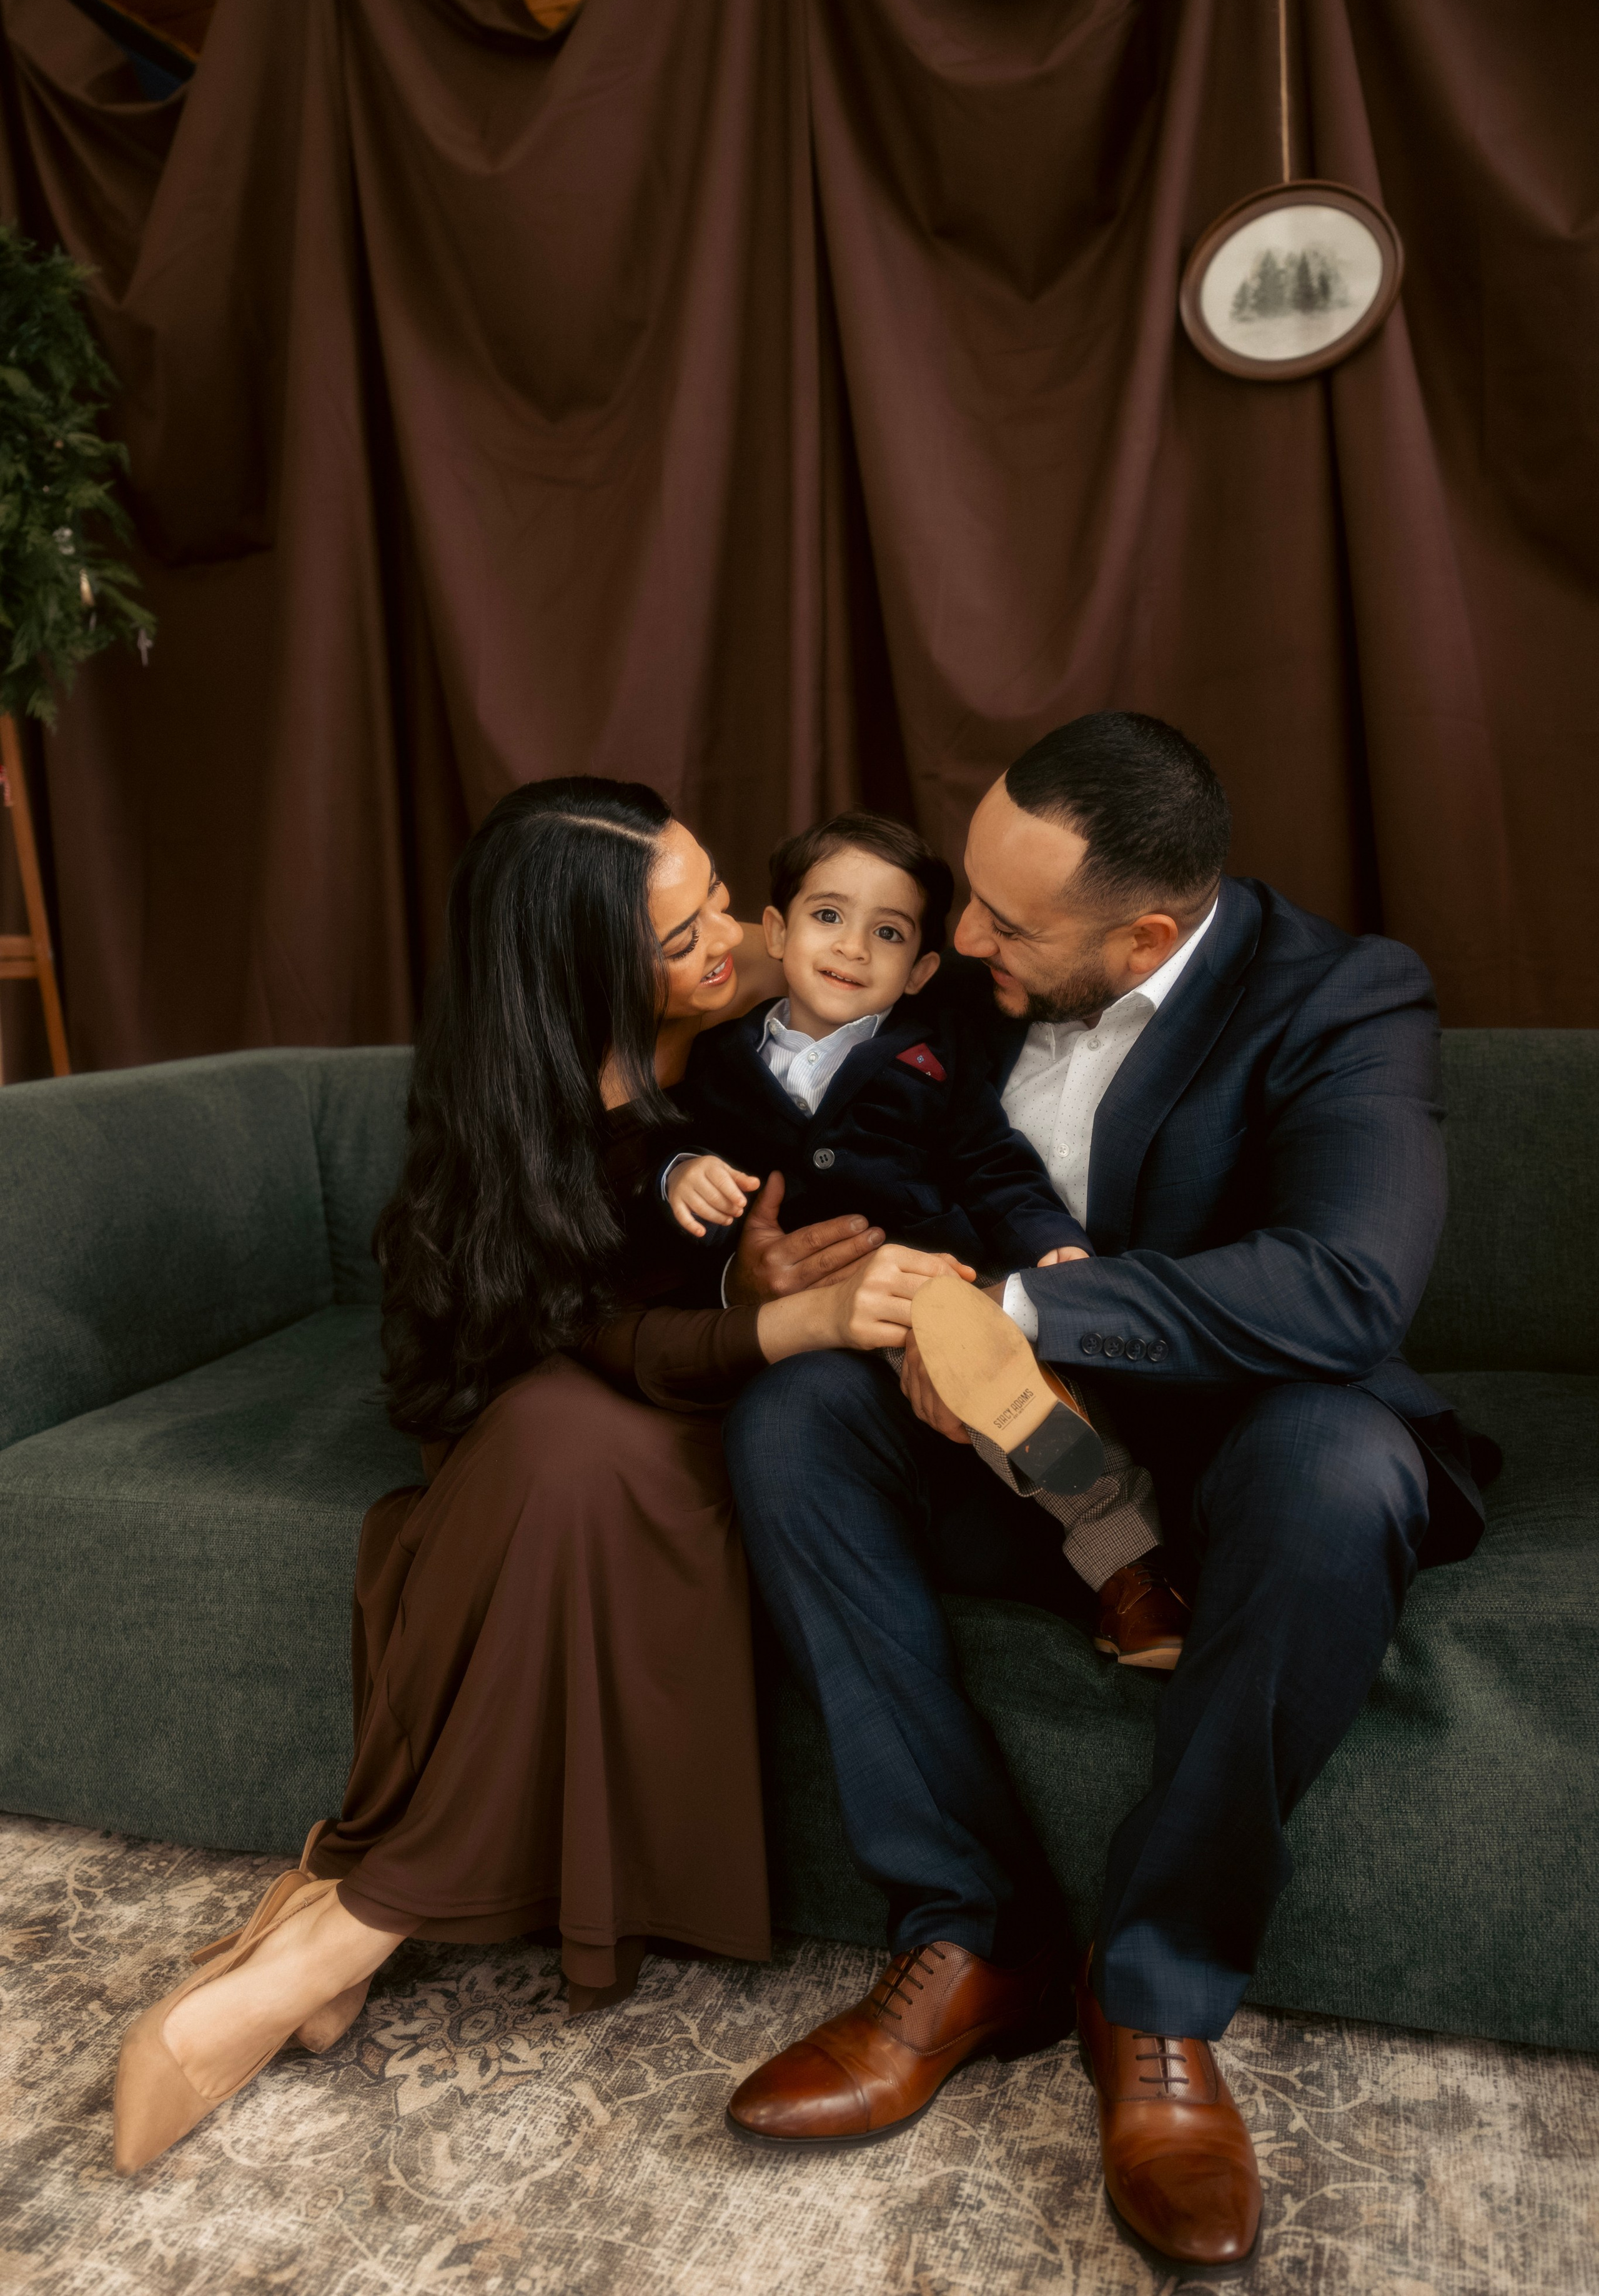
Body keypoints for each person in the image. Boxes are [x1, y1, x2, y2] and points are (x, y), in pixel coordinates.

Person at [111, 776, 966, 2176]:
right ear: (579, 976)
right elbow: (571, 1335)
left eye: (719, 899)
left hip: (692, 1409)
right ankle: (351, 1919)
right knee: (559, 1437)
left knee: (578, 1449)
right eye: (683, 932)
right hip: (547, 1397)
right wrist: (769, 1312)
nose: (737, 937)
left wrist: (758, 1286)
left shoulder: (787, 1010)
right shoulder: (524, 1096)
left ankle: (346, 1915)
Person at [718, 714, 1483, 2272]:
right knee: (792, 1416)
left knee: (1339, 1465)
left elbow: (1345, 1287)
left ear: (1144, 934)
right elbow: (821, 1128)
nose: (962, 940)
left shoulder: (1342, 996)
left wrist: (1020, 1313)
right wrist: (768, 1261)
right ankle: (969, 1935)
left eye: (1007, 925)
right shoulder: (960, 984)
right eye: (967, 899)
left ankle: (1150, 1995)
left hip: (1236, 1449)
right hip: (994, 1450)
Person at [665, 807, 1190, 1661]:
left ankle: (1129, 1566)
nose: (853, 949)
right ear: (777, 931)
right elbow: (669, 1159)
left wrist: (1051, 1239)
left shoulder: (931, 1055)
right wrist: (679, 1173)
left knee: (1005, 1385)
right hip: (812, 1317)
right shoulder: (716, 1063)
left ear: (920, 971)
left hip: (933, 1282)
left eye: (889, 933)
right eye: (828, 916)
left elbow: (995, 1163)